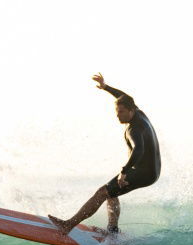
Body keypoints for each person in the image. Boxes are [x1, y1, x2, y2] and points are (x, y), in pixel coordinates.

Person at [49, 73, 161, 236]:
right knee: (111, 191)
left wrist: (124, 171)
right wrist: (105, 87)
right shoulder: (138, 113)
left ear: (130, 110)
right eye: (117, 111)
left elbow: (139, 149)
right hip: (150, 170)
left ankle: (68, 225)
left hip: (144, 172)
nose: (118, 115)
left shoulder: (134, 129)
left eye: (121, 112)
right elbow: (124, 97)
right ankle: (113, 231)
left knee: (103, 192)